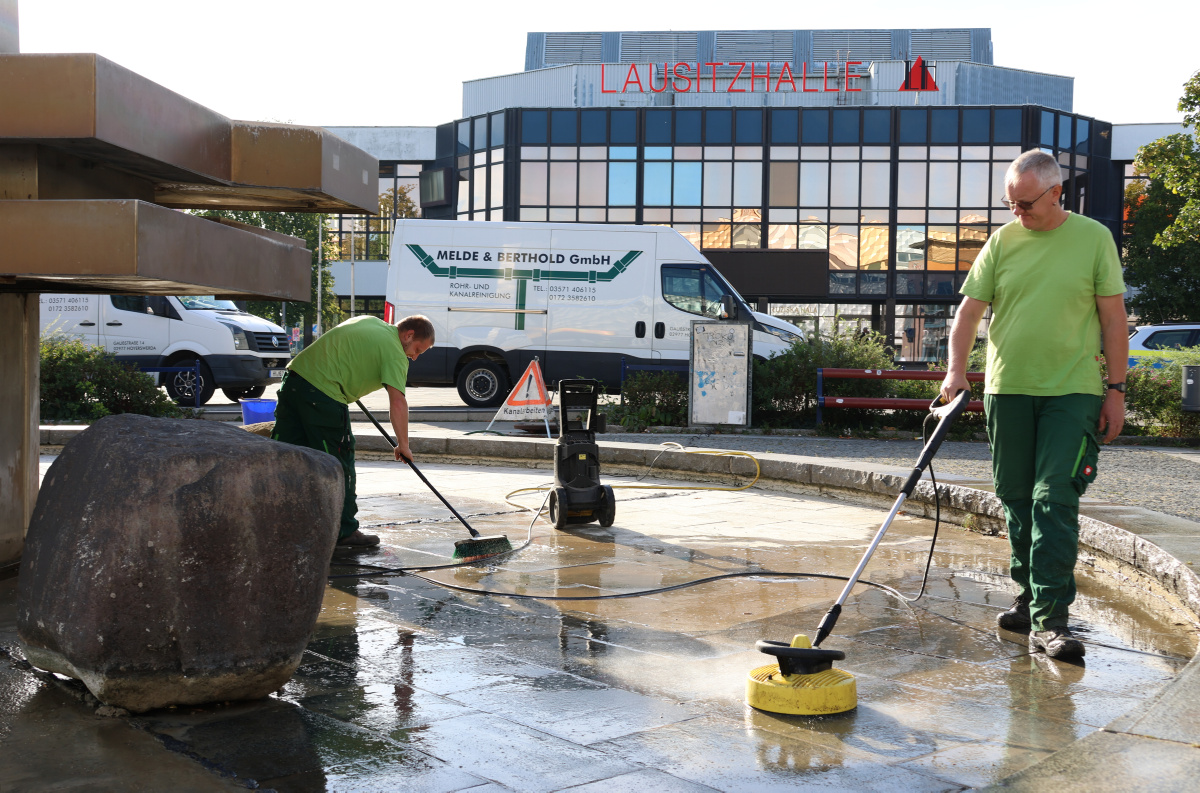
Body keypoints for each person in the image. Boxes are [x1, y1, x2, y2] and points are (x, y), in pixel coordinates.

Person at [940, 150, 1128, 661]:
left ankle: (1052, 622)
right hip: (1009, 390)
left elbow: (1114, 320)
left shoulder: (1093, 239)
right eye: (1010, 204)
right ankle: (1028, 597)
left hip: (1074, 390)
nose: (1016, 213)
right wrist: (957, 370)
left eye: (1025, 203)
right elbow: (968, 314)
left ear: (1056, 193)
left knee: (1054, 498)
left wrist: (1116, 389)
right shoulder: (1003, 241)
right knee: (1017, 498)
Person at [272, 314, 435, 548]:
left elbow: (342, 348)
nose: (415, 357)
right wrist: (403, 445)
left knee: (287, 455)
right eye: (418, 349)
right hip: (322, 395)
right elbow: (398, 402)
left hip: (294, 381)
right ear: (409, 335)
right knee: (340, 461)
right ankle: (344, 531)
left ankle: (278, 520)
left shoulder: (370, 322)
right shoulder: (395, 352)